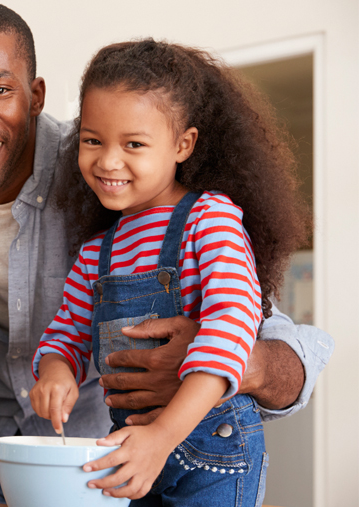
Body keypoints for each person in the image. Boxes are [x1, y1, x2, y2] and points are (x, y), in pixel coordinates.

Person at [0, 1, 334, 502]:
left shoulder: (111, 181)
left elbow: (266, 331)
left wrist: (230, 365)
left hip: (106, 450)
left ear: (37, 94)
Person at [30, 39, 309, 504]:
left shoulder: (210, 219)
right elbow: (66, 335)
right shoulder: (96, 252)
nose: (108, 161)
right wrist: (56, 372)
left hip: (213, 449)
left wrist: (162, 437)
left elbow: (230, 329)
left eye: (133, 144)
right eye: (92, 140)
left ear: (183, 144)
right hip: (134, 449)